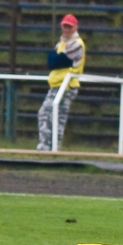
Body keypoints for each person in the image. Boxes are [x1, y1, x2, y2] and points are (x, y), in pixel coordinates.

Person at [36, 13, 86, 151]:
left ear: (76, 27)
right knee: (52, 116)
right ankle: (50, 146)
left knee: (49, 114)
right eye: (65, 26)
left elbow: (55, 62)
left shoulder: (76, 44)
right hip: (58, 85)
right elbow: (53, 61)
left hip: (66, 86)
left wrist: (55, 58)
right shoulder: (62, 43)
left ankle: (48, 147)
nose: (67, 29)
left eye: (70, 27)